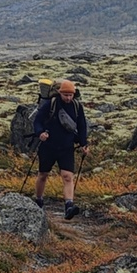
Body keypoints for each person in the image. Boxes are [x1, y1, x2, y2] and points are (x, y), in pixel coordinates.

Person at [31, 76, 87, 218]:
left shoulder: (77, 107)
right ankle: (39, 201)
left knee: (68, 176)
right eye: (65, 95)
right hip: (48, 146)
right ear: (60, 93)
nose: (68, 98)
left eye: (70, 95)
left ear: (74, 94)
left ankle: (69, 206)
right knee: (43, 175)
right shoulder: (51, 104)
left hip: (67, 147)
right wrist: (40, 133)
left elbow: (82, 126)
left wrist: (84, 143)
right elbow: (37, 121)